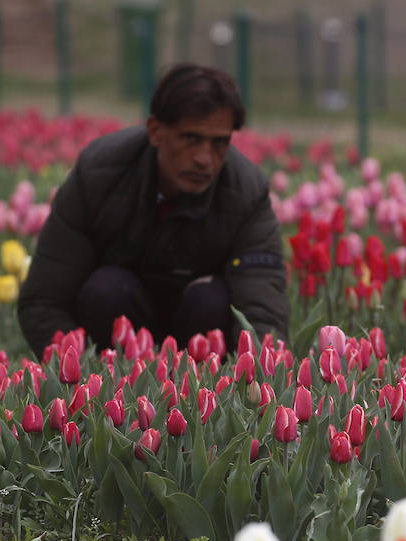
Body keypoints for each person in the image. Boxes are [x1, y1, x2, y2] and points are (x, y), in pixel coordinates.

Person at [17, 63, 287, 355]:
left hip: (201, 355)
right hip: (114, 342)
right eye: (191, 138)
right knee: (106, 289)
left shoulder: (245, 192)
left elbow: (261, 309)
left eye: (220, 142)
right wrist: (83, 379)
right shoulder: (99, 176)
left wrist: (259, 379)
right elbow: (44, 300)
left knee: (212, 300)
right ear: (156, 131)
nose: (204, 159)